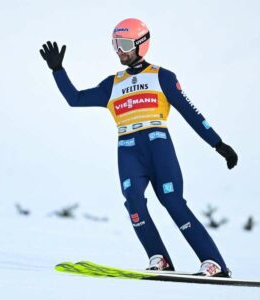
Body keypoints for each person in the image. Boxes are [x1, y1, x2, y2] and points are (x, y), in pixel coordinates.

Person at [40, 18, 238, 277]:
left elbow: (190, 113)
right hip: (128, 150)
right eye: (115, 45)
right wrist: (58, 70)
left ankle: (214, 262)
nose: (119, 50)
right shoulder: (112, 83)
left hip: (158, 148)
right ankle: (159, 258)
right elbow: (74, 99)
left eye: (123, 44)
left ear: (142, 44)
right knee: (133, 201)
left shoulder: (162, 77)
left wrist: (218, 143)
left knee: (173, 201)